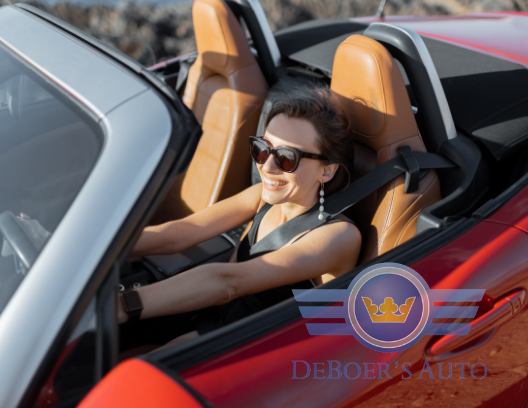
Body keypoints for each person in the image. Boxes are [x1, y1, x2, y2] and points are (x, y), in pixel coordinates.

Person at [118, 86, 362, 349]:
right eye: (263, 148)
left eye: (287, 158)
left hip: (261, 349)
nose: (266, 167)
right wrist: (98, 251)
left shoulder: (339, 237)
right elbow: (180, 233)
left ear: (326, 171)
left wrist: (122, 306)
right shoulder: (265, 196)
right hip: (223, 320)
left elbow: (229, 282)